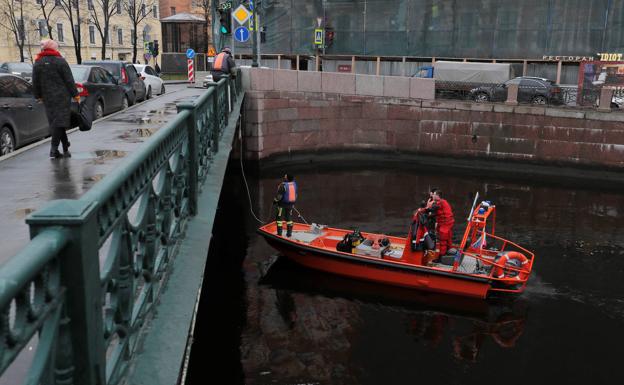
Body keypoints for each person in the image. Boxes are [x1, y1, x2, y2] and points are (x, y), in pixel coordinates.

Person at [32, 39, 79, 159]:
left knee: (57, 122)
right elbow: (69, 79)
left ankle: (65, 146)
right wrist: (75, 94)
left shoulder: (38, 62)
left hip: (48, 98)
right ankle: (53, 149)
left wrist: (38, 96)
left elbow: (35, 81)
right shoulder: (60, 61)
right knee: (59, 122)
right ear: (53, 48)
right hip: (62, 97)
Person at [427, 189, 454, 256]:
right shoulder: (442, 202)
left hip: (445, 223)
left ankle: (441, 256)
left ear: (438, 196)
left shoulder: (440, 202)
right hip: (446, 223)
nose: (433, 195)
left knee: (443, 240)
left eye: (434, 194)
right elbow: (435, 212)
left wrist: (425, 209)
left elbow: (433, 207)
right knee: (448, 239)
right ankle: (448, 251)